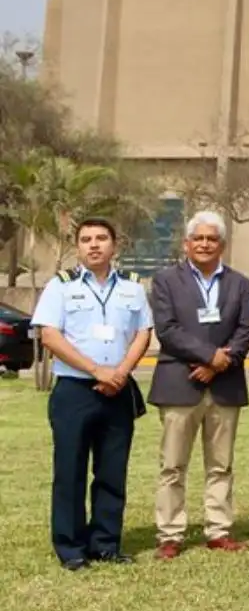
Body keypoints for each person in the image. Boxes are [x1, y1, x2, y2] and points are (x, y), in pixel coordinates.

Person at [31, 217, 152, 570]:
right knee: (70, 469)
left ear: (115, 245)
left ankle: (105, 543)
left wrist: (120, 372)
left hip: (118, 389)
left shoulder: (132, 287)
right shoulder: (61, 286)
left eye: (101, 238)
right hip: (75, 390)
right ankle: (70, 548)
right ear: (78, 246)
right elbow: (50, 336)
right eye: (86, 239)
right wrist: (96, 370)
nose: (94, 244)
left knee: (112, 470)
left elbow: (143, 333)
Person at [147, 210, 249, 559]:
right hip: (180, 383)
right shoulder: (165, 280)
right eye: (199, 238)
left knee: (221, 464)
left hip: (223, 387)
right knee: (172, 465)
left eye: (212, 239)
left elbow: (245, 330)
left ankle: (218, 530)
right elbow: (167, 330)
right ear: (187, 243)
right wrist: (212, 356)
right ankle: (170, 534)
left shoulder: (238, 282)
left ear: (221, 245)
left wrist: (220, 364)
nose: (205, 244)